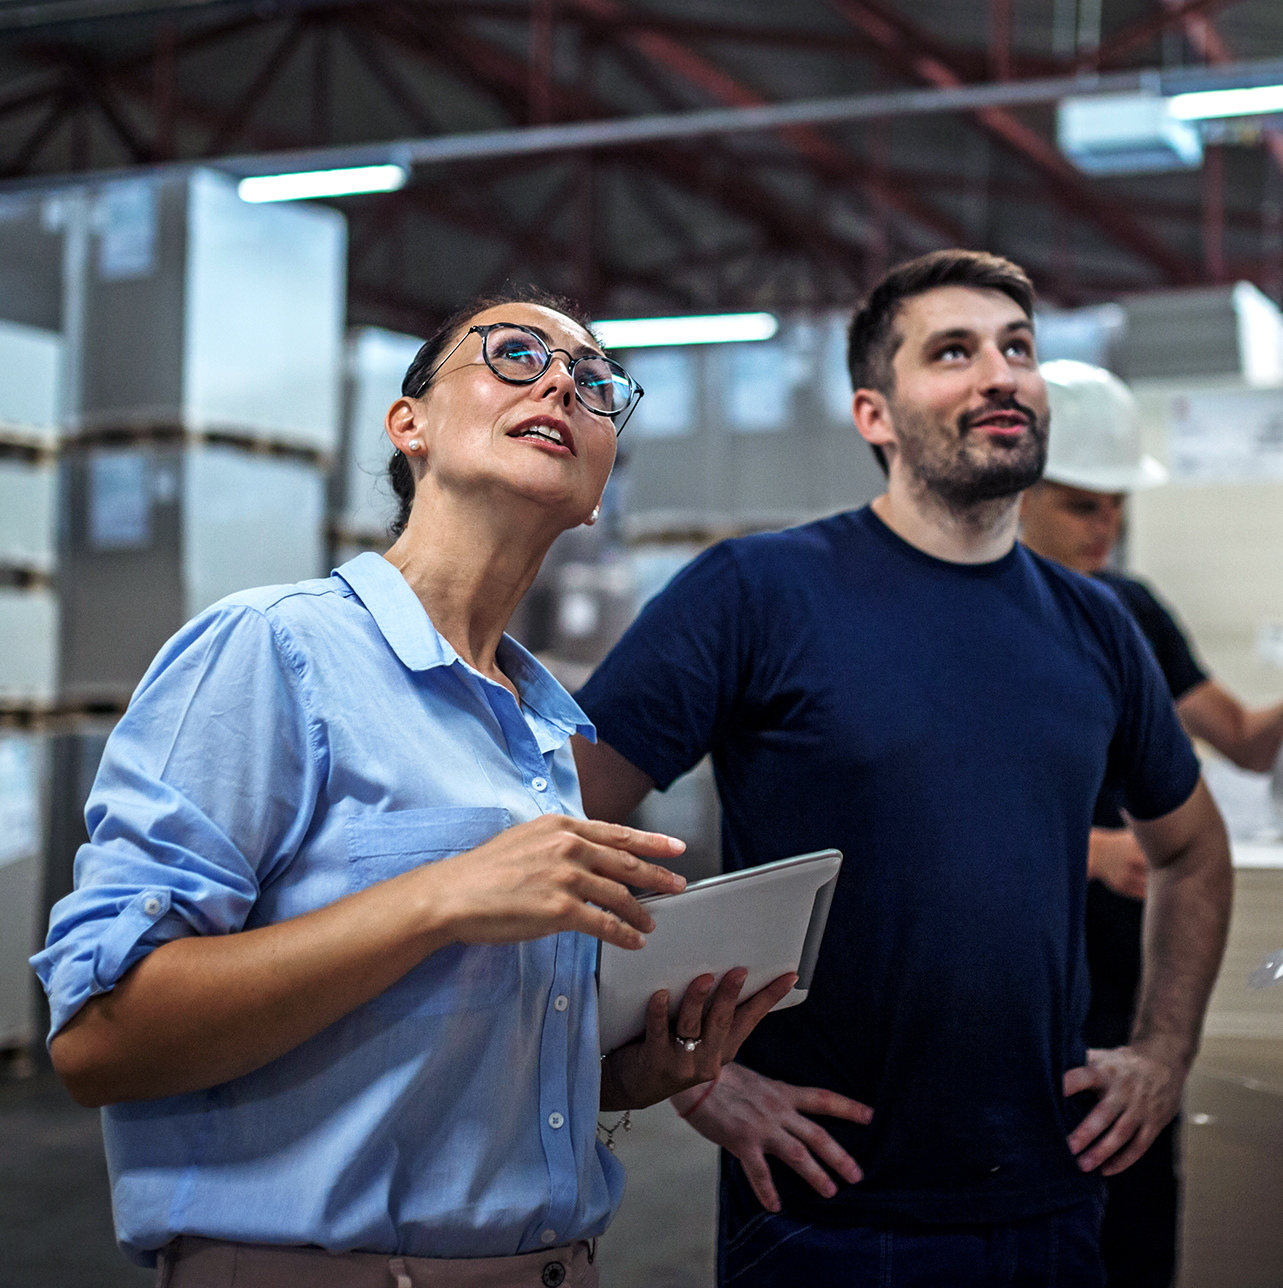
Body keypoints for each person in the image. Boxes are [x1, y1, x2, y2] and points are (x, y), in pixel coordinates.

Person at [32, 288, 793, 1288]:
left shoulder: (547, 732)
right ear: (411, 426)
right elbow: (98, 1038)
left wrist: (621, 1076)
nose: (564, 381)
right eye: (516, 355)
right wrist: (440, 897)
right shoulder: (273, 652)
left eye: (597, 383)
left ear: (601, 487)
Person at [573, 252, 1235, 1288]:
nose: (1001, 374)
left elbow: (1192, 850)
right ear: (874, 414)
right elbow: (561, 821)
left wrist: (1163, 1052)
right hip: (825, 1206)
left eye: (1018, 349)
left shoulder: (1099, 627)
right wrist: (697, 1082)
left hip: (1051, 1200)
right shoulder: (756, 594)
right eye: (954, 352)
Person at [1017, 358, 1283, 1288]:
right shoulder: (963, 620)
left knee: (1133, 1213)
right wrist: (1090, 849)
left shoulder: (1129, 606)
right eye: (1082, 505)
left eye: (1116, 506)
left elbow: (1242, 738)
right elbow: (917, 820)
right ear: (1019, 486)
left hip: (1119, 963)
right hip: (1015, 968)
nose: (1105, 527)